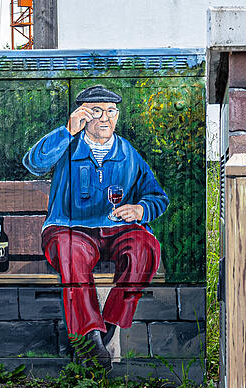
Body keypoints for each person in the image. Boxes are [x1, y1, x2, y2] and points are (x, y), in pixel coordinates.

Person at [23, 85, 168, 362]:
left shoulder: (126, 151)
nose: (105, 118)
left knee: (145, 247)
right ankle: (89, 337)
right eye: (96, 111)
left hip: (116, 229)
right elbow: (34, 162)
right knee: (70, 251)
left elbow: (157, 196)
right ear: (83, 116)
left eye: (111, 111)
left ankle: (109, 325)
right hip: (70, 227)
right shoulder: (69, 143)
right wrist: (67, 130)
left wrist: (140, 209)